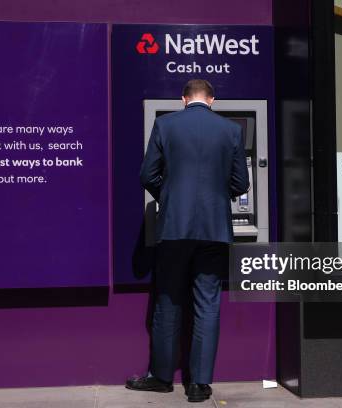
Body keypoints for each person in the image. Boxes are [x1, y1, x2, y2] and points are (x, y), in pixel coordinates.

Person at [126, 79, 250, 403]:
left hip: (174, 228)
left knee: (168, 299)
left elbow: (146, 174)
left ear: (183, 99)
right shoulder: (230, 131)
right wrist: (218, 197)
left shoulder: (165, 125)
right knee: (207, 302)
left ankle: (162, 378)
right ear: (212, 100)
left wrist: (167, 198)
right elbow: (241, 182)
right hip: (214, 229)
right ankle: (199, 384)